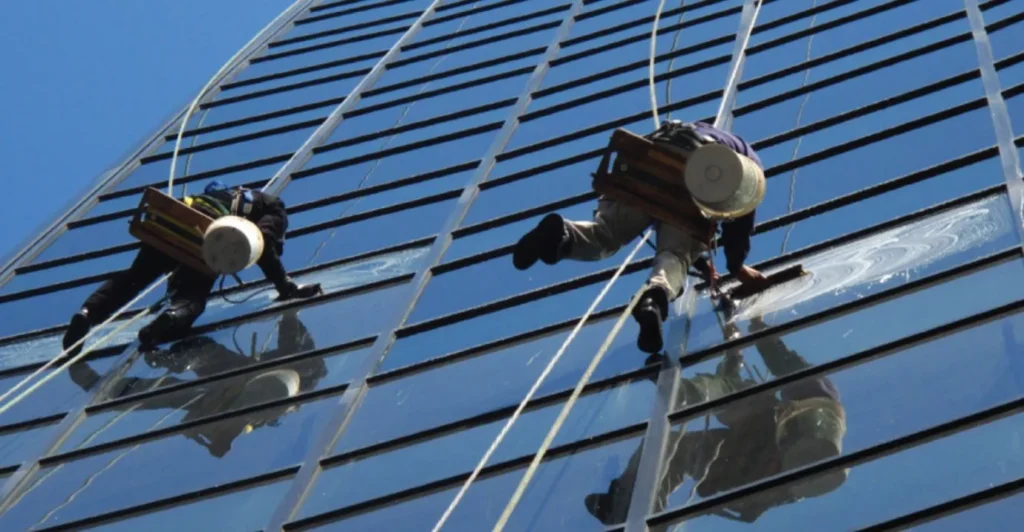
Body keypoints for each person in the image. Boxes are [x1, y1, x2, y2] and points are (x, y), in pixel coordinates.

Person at [512, 120, 769, 354]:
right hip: (694, 181)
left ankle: (562, 234)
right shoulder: (748, 165)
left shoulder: (696, 127)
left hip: (648, 165)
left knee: (606, 234)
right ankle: (654, 299)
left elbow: (670, 222)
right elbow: (741, 217)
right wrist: (737, 267)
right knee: (675, 256)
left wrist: (701, 263)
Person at [583, 316, 848, 525]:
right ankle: (635, 508)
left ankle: (682, 394)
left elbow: (778, 360)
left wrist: (756, 323)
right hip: (752, 466)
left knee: (742, 398)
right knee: (670, 446)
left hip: (757, 462)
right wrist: (735, 352)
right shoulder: (792, 427)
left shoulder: (817, 397)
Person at [62, 180, 321, 352]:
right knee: (194, 294)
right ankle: (172, 316)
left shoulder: (209, 197)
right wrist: (284, 285)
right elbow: (262, 242)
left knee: (134, 279)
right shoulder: (272, 205)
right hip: (207, 236)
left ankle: (87, 313)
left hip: (169, 228)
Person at [68, 309, 327, 457]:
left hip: (238, 387)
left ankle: (114, 388)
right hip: (240, 380)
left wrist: (289, 313)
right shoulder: (302, 372)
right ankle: (173, 360)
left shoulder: (296, 379)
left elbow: (244, 416)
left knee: (178, 390)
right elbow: (291, 340)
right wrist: (288, 313)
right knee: (189, 376)